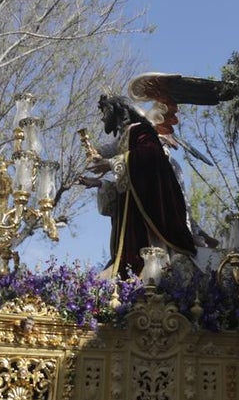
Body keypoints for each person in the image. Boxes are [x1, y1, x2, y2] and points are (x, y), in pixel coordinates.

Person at [83, 94, 197, 279]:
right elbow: (127, 186)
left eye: (104, 111)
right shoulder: (126, 136)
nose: (103, 118)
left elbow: (150, 156)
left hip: (146, 215)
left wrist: (111, 164)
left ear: (115, 110)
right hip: (130, 216)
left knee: (150, 267)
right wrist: (100, 183)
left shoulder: (141, 130)